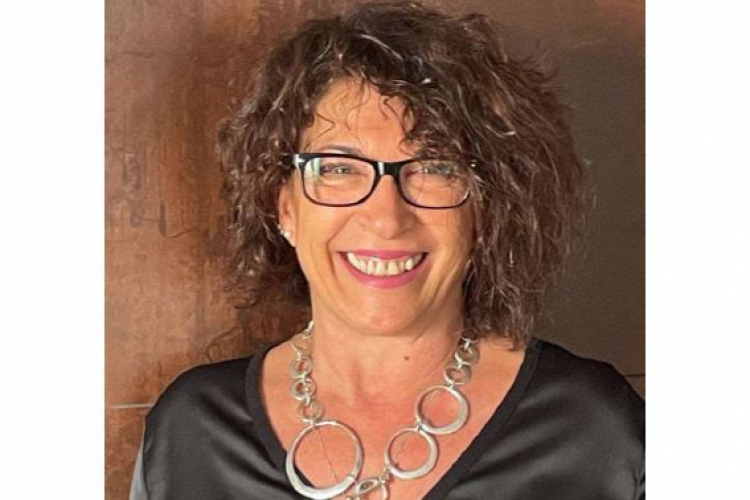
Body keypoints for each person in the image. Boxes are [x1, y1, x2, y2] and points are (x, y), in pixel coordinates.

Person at [129, 2, 644, 499]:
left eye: (435, 168)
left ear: (486, 209)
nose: (386, 218)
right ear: (283, 206)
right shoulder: (190, 433)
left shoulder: (596, 431)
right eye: (338, 168)